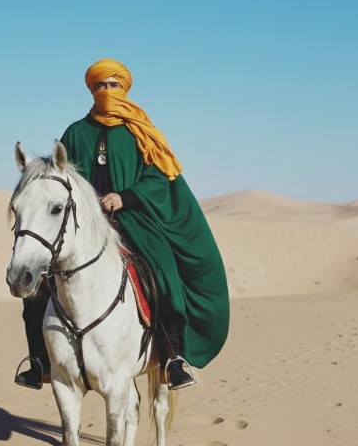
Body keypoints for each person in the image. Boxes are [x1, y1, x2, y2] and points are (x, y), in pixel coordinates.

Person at [15, 58, 229, 390]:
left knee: (164, 274)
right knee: (38, 286)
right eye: (101, 86)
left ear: (125, 88)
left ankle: (173, 358)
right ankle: (40, 361)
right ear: (92, 89)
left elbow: (160, 176)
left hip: (133, 219)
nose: (107, 92)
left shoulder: (141, 132)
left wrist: (125, 197)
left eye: (114, 85)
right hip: (85, 224)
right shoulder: (75, 132)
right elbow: (60, 178)